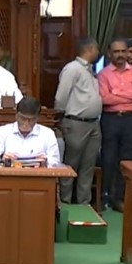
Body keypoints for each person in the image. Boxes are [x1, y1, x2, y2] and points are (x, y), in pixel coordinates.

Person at [54, 37, 103, 206]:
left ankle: (84, 203)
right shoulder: (72, 68)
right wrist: (60, 118)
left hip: (93, 124)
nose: (98, 52)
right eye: (96, 49)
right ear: (89, 49)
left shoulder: (90, 70)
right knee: (71, 164)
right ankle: (65, 203)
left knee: (88, 165)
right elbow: (61, 97)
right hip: (76, 123)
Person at [96, 38, 132, 212]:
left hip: (131, 119)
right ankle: (105, 196)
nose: (121, 55)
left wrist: (117, 92)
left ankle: (121, 197)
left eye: (123, 51)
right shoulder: (103, 74)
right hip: (111, 119)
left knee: (128, 159)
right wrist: (130, 96)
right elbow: (105, 99)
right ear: (109, 54)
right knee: (108, 158)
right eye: (117, 52)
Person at [0, 97, 60, 168]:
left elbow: (56, 162)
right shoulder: (2, 131)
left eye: (31, 120)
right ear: (16, 115)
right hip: (9, 176)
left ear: (37, 118)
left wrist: (46, 162)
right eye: (23, 118)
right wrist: (2, 159)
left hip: (38, 176)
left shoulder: (48, 134)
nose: (26, 123)